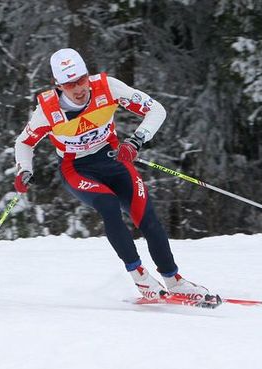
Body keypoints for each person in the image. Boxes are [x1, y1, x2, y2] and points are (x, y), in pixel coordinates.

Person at [13, 48, 218, 306]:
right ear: (57, 84)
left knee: (147, 217)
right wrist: (24, 169)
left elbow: (156, 110)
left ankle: (174, 279)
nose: (79, 89)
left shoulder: (107, 88)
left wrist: (136, 141)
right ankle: (140, 276)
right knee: (109, 205)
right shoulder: (48, 111)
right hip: (77, 169)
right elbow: (24, 143)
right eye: (69, 84)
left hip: (113, 159)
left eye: (82, 80)